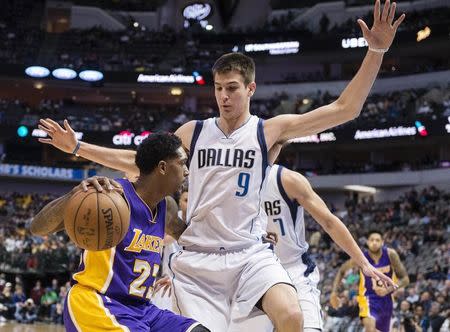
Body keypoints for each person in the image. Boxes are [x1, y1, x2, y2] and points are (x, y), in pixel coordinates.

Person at [37, 2, 404, 329]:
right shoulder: (194, 132)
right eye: (218, 88)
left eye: (231, 88)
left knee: (291, 317)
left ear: (250, 88)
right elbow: (140, 162)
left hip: (249, 254)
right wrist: (79, 146)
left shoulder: (270, 130)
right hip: (198, 256)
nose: (223, 96)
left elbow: (345, 109)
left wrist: (376, 50)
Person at [31, 133, 209, 332]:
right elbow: (38, 227)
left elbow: (191, 242)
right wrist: (75, 196)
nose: (186, 172)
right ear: (162, 168)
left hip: (143, 310)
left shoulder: (167, 208)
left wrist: (180, 272)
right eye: (182, 163)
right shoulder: (110, 196)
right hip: (96, 302)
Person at [230, 164, 395, 332]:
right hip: (252, 274)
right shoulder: (228, 179)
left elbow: (329, 222)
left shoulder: (286, 179)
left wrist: (364, 263)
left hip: (292, 270)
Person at [331, 230, 410, 332]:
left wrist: (388, 290)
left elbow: (405, 279)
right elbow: (342, 270)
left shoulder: (391, 255)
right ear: (367, 242)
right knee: (370, 328)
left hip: (387, 300)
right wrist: (334, 292)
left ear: (382, 242)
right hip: (367, 299)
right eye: (372, 240)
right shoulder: (361, 257)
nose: (374, 242)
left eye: (377, 240)